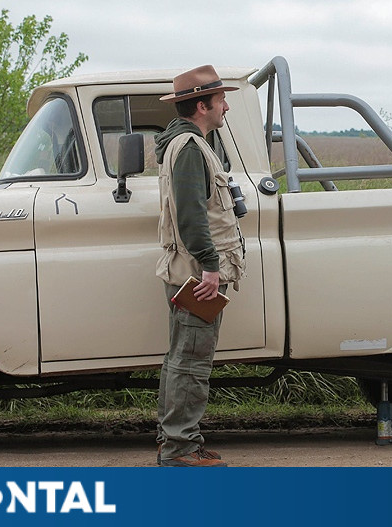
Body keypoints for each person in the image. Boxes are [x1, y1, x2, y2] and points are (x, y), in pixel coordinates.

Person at [154, 65, 245, 467]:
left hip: (185, 269)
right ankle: (180, 449)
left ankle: (174, 441)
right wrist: (210, 267)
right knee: (191, 362)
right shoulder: (190, 147)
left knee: (180, 358)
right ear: (203, 106)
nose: (227, 106)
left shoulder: (186, 143)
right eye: (221, 100)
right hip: (197, 274)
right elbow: (192, 215)